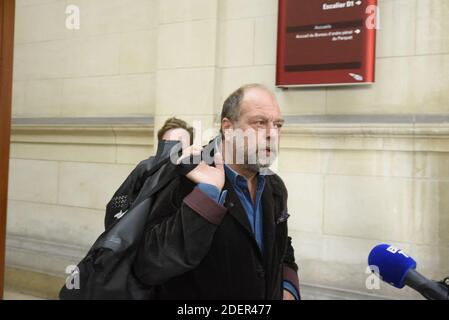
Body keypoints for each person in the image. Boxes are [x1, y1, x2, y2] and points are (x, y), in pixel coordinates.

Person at [133, 84, 300, 300]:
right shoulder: (185, 176)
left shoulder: (275, 187)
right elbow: (149, 264)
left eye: (278, 125)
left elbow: (281, 247)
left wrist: (289, 290)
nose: (272, 134)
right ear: (228, 128)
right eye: (260, 123)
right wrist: (207, 197)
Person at [104, 117, 194, 229]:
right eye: (169, 143)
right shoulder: (146, 167)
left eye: (180, 143)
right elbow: (116, 204)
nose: (174, 148)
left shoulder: (194, 176)